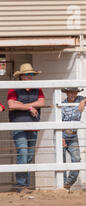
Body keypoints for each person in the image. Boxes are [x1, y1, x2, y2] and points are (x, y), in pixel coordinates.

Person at [7, 63, 46, 193]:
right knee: (23, 154)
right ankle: (21, 185)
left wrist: (23, 104)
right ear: (21, 76)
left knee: (29, 156)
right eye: (27, 74)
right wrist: (30, 107)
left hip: (33, 125)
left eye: (31, 75)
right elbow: (11, 105)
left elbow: (41, 102)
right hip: (19, 125)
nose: (29, 77)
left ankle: (25, 185)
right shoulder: (13, 88)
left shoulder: (37, 88)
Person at [61, 87, 84, 190]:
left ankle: (68, 183)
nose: (73, 94)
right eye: (71, 92)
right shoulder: (62, 104)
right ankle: (62, 185)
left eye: (75, 92)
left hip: (74, 135)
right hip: (63, 134)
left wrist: (83, 101)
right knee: (62, 162)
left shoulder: (80, 100)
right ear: (67, 93)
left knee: (77, 159)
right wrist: (61, 138)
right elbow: (59, 121)